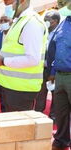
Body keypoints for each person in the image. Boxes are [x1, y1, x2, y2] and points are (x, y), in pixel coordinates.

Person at [0, 0, 48, 112]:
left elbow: (33, 59)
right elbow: (14, 49)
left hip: (21, 90)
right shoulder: (19, 21)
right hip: (10, 87)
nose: (6, 6)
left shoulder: (31, 23)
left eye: (8, 2)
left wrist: (3, 61)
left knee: (18, 128)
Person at [50, 0, 71, 149]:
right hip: (60, 75)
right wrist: (52, 73)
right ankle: (61, 139)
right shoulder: (63, 23)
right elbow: (53, 49)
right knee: (60, 110)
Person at [34, 11, 60, 113]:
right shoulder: (42, 32)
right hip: (41, 69)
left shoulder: (59, 34)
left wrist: (53, 72)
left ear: (55, 21)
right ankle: (38, 113)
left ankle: (53, 114)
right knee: (40, 93)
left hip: (54, 70)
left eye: (47, 20)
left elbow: (58, 54)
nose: (44, 22)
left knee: (55, 94)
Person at [0, 15, 13, 113]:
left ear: (11, 22)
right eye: (1, 20)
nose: (3, 22)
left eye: (6, 20)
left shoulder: (15, 35)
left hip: (11, 70)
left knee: (7, 97)